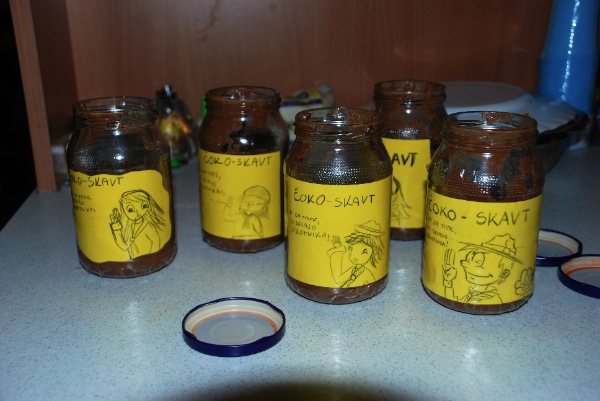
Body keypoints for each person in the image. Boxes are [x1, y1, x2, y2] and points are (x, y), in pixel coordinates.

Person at [110, 189, 166, 258]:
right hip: (133, 259)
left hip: (148, 258)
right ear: (124, 211)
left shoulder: (148, 226)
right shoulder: (130, 228)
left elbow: (155, 241)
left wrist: (152, 257)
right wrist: (116, 227)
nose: (137, 212)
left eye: (144, 206)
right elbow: (124, 246)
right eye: (130, 210)